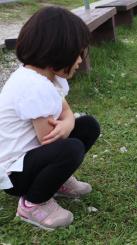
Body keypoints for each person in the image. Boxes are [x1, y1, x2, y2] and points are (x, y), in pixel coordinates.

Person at [0, 6, 100, 230]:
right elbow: (49, 139)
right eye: (78, 53)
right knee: (70, 149)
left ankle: (55, 182)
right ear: (57, 51)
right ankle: (32, 203)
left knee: (88, 126)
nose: (80, 61)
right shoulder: (33, 86)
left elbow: (65, 111)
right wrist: (65, 127)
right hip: (15, 174)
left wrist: (68, 123)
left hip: (32, 158)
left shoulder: (45, 78)